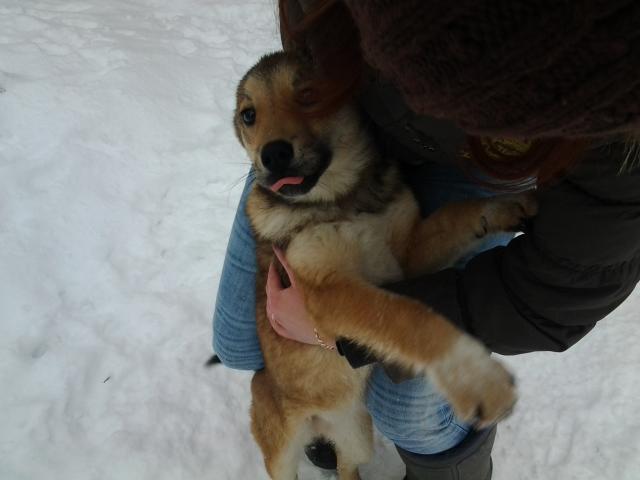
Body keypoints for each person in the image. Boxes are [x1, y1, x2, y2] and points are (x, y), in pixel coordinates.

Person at [213, 1, 640, 479]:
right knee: (234, 344)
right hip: (336, 166)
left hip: (484, 166)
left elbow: (556, 295)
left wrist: (342, 328)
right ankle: (328, 425)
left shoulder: (617, 119)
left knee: (402, 408)